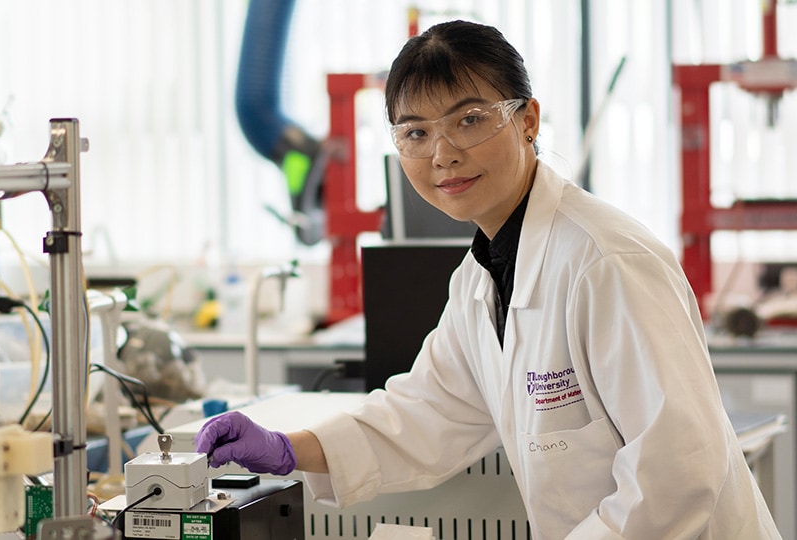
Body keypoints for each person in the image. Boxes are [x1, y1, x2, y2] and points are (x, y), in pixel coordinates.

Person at [196, 20, 782, 539]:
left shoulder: (607, 262)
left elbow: (676, 477)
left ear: (527, 119)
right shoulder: (481, 277)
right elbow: (426, 413)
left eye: (469, 120)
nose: (443, 153)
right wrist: (285, 448)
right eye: (415, 133)